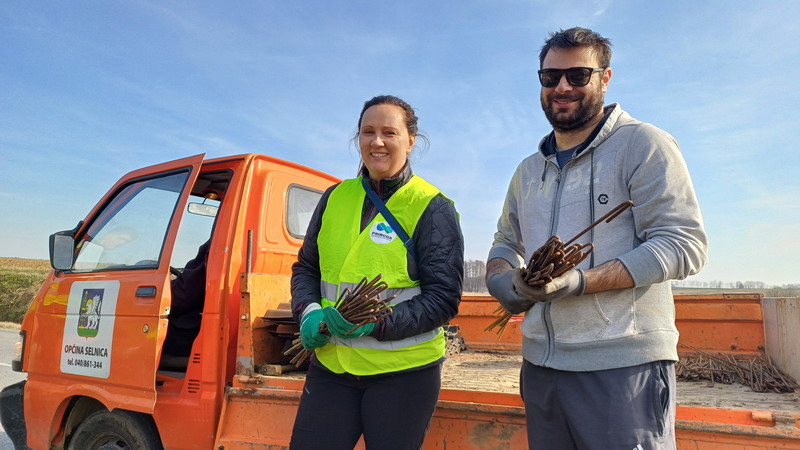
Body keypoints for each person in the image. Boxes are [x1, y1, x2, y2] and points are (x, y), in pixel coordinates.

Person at [486, 27, 708, 449]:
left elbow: (683, 244)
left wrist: (580, 281)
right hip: (541, 369)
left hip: (623, 370)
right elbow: (504, 241)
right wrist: (502, 281)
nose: (563, 87)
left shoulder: (643, 145)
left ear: (605, 78)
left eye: (578, 75)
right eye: (550, 78)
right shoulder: (528, 171)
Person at [289, 95, 464, 450]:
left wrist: (376, 323)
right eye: (368, 131)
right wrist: (308, 312)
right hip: (332, 366)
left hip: (403, 375)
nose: (377, 141)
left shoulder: (432, 207)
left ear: (411, 141)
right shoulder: (335, 196)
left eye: (389, 132)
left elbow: (443, 299)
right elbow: (306, 267)